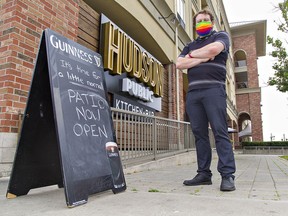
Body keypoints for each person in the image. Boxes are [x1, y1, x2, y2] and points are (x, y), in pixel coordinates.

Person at [176, 9, 236, 191]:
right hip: (194, 93)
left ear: (211, 22)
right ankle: (204, 174)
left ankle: (227, 175)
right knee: (199, 134)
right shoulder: (189, 44)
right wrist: (203, 57)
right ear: (195, 26)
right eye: (199, 21)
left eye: (205, 20)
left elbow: (214, 49)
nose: (202, 23)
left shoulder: (221, 36)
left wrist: (193, 56)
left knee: (220, 131)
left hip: (213, 90)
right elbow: (179, 64)